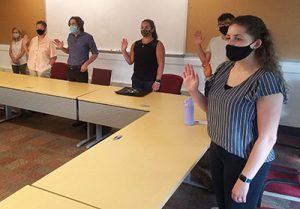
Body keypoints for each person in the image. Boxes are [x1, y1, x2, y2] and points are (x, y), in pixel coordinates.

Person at [183, 15, 287, 209]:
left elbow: (268, 138)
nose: (230, 42)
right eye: (229, 37)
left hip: (245, 160)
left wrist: (245, 179)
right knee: (223, 204)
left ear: (256, 43)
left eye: (238, 38)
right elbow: (212, 110)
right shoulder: (224, 69)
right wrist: (193, 91)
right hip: (218, 150)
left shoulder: (266, 80)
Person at [121, 19, 165, 91]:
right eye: (142, 27)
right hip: (136, 80)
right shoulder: (135, 44)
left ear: (152, 29)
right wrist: (123, 50)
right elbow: (130, 61)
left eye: (146, 27)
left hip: (150, 81)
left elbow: (161, 64)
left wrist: (157, 81)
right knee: (136, 102)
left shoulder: (157, 44)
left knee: (150, 101)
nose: (144, 29)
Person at [54, 16, 99, 83]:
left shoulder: (88, 37)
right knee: (70, 92)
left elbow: (95, 53)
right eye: (70, 24)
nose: (71, 26)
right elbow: (69, 51)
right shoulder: (70, 36)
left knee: (82, 92)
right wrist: (62, 48)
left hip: (81, 70)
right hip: (70, 69)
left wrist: (86, 64)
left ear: (79, 25)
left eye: (73, 24)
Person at [194, 13, 235, 78]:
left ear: (234, 24)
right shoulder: (213, 40)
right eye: (221, 24)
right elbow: (205, 61)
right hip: (212, 77)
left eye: (226, 23)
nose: (223, 26)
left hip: (230, 78)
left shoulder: (237, 42)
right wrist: (198, 45)